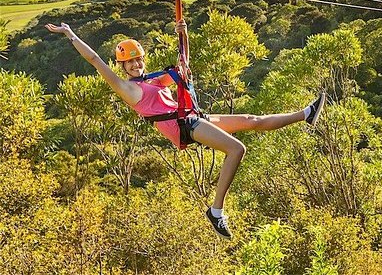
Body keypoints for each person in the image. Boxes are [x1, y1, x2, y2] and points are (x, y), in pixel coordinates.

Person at [46, 20, 326, 238]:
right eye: (130, 62)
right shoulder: (129, 90)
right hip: (185, 127)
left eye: (138, 59)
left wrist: (184, 34)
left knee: (253, 120)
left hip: (193, 117)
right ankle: (216, 211)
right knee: (237, 148)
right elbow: (95, 60)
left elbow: (184, 67)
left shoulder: (154, 81)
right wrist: (70, 33)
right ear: (123, 66)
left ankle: (306, 113)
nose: (136, 64)